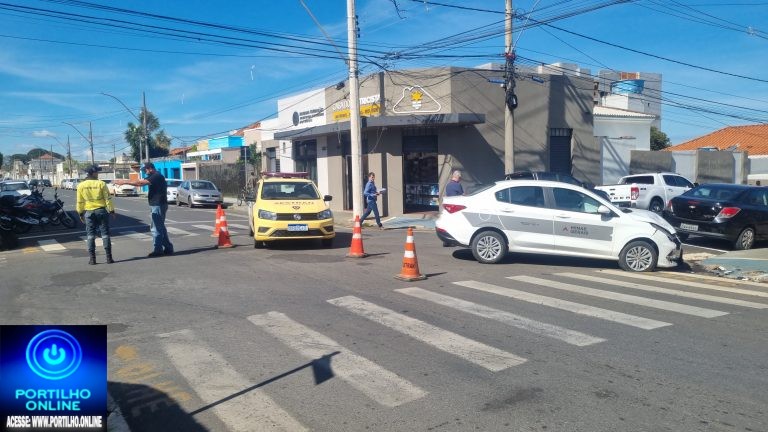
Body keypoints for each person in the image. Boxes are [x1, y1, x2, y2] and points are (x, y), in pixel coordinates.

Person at [115, 162, 173, 257]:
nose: (145, 172)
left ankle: (158, 250)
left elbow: (140, 183)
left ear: (150, 168)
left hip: (158, 204)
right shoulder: (153, 176)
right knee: (160, 227)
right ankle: (168, 248)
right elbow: (140, 182)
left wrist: (124, 182)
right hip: (158, 204)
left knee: (155, 228)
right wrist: (126, 181)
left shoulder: (156, 176)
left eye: (145, 170)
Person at [76, 165, 115, 265]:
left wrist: (80, 213)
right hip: (101, 211)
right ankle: (109, 258)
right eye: (97, 172)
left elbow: (80, 201)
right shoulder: (101, 184)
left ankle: (92, 259)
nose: (98, 174)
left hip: (89, 212)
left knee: (90, 235)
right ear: (93, 173)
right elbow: (108, 199)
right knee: (105, 234)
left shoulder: (81, 185)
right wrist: (111, 211)